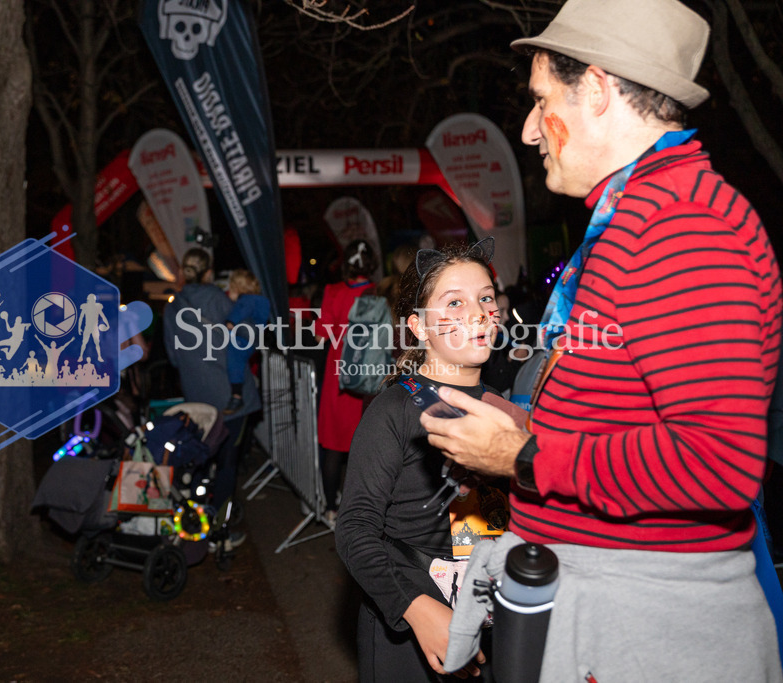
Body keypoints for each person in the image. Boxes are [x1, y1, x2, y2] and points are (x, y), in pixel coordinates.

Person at [419, 0, 783, 679]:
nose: (529, 130)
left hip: (650, 625)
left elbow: (720, 462)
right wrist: (526, 425)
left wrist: (524, 456)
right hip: (615, 606)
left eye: (540, 100)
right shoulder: (636, 219)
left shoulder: (683, 227)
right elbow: (627, 413)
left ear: (595, 88)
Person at [335, 243, 500, 680]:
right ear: (419, 327)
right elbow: (354, 529)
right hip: (410, 624)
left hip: (487, 615)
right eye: (455, 302)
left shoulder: (502, 407)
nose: (478, 313)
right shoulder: (394, 410)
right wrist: (417, 609)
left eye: (485, 297)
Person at [163, 248, 259, 548]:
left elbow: (173, 358)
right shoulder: (219, 300)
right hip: (231, 399)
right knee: (228, 464)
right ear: (208, 273)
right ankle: (219, 532)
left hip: (197, 399)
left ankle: (193, 523)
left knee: (200, 461)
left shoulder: (172, 307)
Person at [314, 239, 377, 525]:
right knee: (362, 446)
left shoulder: (333, 292)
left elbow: (320, 336)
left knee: (333, 444)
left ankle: (331, 509)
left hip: (337, 376)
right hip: (367, 374)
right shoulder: (377, 293)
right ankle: (360, 511)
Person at [222, 269, 270, 415]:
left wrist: (229, 323)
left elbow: (236, 316)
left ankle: (237, 395)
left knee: (234, 361)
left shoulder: (246, 301)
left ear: (237, 288)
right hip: (253, 340)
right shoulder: (260, 300)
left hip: (242, 340)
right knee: (241, 362)